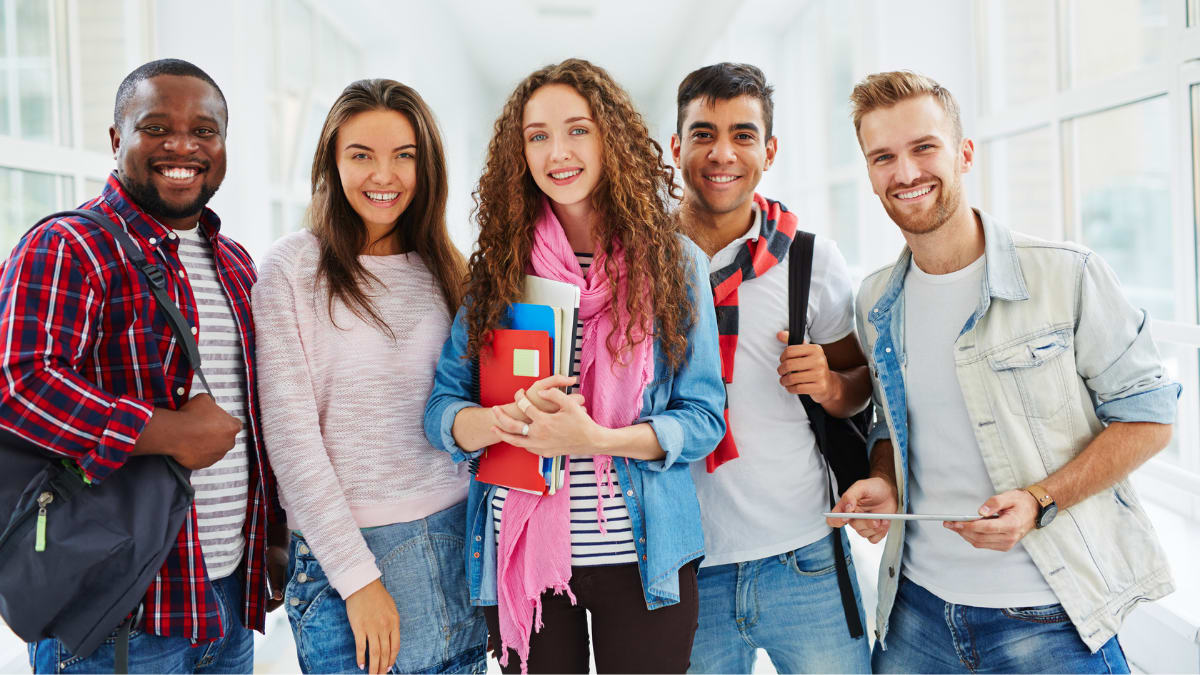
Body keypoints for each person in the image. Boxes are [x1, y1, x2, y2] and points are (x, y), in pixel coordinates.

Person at [830, 70, 1180, 674]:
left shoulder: (1067, 276)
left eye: (923, 148)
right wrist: (884, 481)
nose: (906, 173)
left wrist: (1039, 500)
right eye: (883, 157)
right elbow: (893, 421)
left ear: (964, 152)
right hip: (915, 615)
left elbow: (1149, 418)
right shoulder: (875, 300)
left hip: (1051, 619)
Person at [423, 58, 725, 674]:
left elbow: (703, 418)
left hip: (644, 560)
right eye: (538, 136)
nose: (557, 151)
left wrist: (596, 439)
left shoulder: (676, 263)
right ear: (520, 153)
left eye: (577, 129)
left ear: (610, 137)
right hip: (524, 562)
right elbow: (441, 412)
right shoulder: (498, 276)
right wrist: (499, 422)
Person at [0, 58, 288, 674]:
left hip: (226, 600)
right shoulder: (70, 246)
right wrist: (167, 433)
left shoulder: (236, 263)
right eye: (156, 127)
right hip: (115, 614)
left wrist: (272, 537)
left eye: (204, 131)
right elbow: (17, 386)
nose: (182, 146)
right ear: (115, 139)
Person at [253, 79, 487, 675]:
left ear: (426, 165)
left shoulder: (448, 269)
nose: (384, 175)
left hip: (460, 543)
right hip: (351, 561)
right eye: (361, 155)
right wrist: (359, 581)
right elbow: (292, 442)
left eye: (404, 156)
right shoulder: (292, 267)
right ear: (331, 159)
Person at [670, 62, 872, 674]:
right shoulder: (639, 260)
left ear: (770, 150)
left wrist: (832, 385)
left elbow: (861, 390)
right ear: (677, 147)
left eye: (743, 134)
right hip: (682, 568)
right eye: (703, 134)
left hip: (803, 555)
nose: (722, 153)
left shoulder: (812, 259)